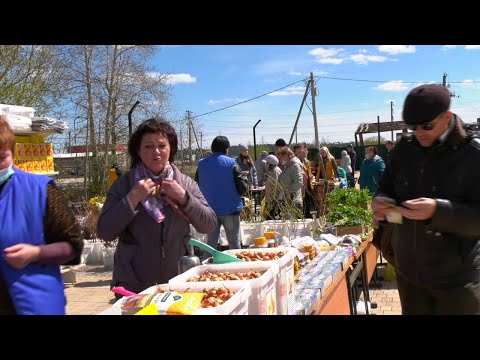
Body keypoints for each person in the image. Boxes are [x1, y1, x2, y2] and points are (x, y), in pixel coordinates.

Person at [371, 83, 480, 315]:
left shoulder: (473, 155)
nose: (419, 132)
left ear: (447, 117)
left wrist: (437, 211)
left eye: (427, 126)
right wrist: (381, 202)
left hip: (456, 280)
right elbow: (386, 188)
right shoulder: (404, 150)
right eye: (413, 127)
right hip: (409, 275)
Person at [97, 118, 216, 296]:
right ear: (138, 150)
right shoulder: (125, 185)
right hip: (134, 286)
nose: (156, 152)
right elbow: (104, 231)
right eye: (148, 146)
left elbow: (208, 224)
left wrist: (184, 198)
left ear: (171, 149)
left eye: (162, 145)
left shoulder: (185, 183)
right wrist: (132, 198)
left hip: (179, 282)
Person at [0, 115, 83, 315]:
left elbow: (73, 245)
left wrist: (35, 253)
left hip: (32, 304)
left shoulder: (40, 190)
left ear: (12, 152)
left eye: (1, 157)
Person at [196, 136, 248, 253]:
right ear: (226, 149)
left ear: (212, 149)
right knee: (234, 242)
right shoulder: (232, 164)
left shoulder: (201, 164)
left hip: (209, 210)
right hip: (230, 209)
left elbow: (197, 184)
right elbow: (242, 188)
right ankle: (237, 269)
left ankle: (207, 267)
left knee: (211, 243)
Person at [263, 154, 282, 220]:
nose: (266, 165)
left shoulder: (276, 171)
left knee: (272, 217)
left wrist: (273, 197)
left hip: (274, 199)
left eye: (267, 163)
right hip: (269, 199)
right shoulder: (270, 171)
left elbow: (276, 185)